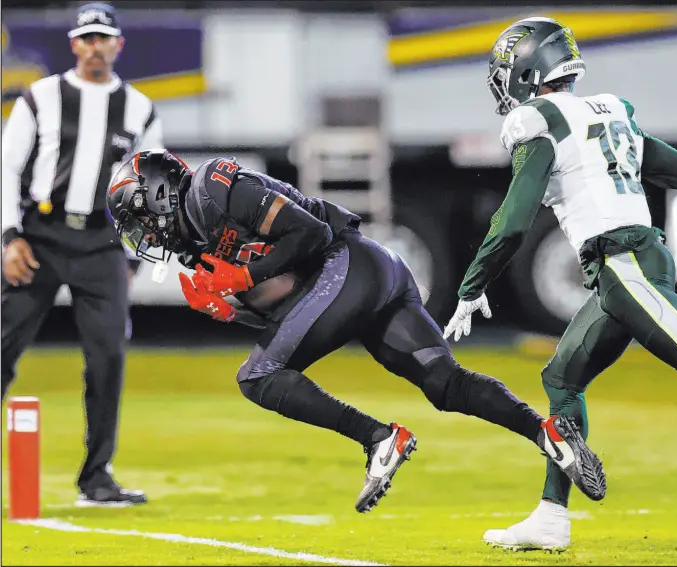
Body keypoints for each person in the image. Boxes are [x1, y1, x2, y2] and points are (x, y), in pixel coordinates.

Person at [106, 149, 607, 514]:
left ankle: (378, 439)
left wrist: (241, 277)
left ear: (158, 192)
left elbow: (312, 233)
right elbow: (283, 316)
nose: (145, 235)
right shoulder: (196, 245)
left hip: (349, 264)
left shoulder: (212, 187)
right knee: (445, 384)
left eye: (141, 220)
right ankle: (546, 433)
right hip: (364, 277)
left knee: (257, 377)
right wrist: (228, 311)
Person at [443, 16, 677, 550]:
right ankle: (551, 517)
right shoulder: (611, 113)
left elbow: (513, 222)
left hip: (625, 267)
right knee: (562, 379)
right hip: (618, 270)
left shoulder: (539, 122)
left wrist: (471, 285)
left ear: (526, 70)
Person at [1, 2, 163, 506]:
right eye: (87, 38)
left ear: (118, 44)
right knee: (2, 349)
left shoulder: (140, 108)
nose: (95, 47)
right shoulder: (40, 98)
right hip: (40, 239)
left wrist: (134, 258)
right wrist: (8, 238)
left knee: (108, 358)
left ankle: (97, 477)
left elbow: (151, 190)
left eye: (104, 38)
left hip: (102, 245)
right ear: (74, 44)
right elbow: (7, 169)